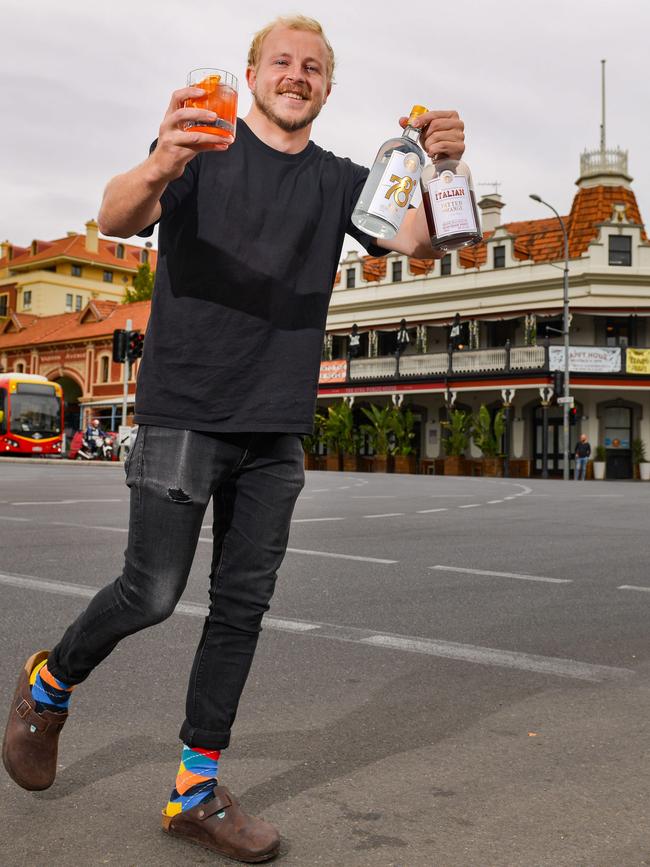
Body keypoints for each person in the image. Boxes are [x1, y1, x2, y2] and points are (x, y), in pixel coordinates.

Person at [3, 16, 467, 863]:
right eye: (282, 62)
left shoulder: (341, 181)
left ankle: (194, 789)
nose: (297, 75)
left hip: (276, 424)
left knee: (240, 612)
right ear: (253, 74)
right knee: (149, 592)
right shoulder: (200, 143)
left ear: (329, 87)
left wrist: (444, 166)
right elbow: (114, 214)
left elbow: (419, 243)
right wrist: (161, 161)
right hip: (184, 408)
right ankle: (49, 685)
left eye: (314, 67)